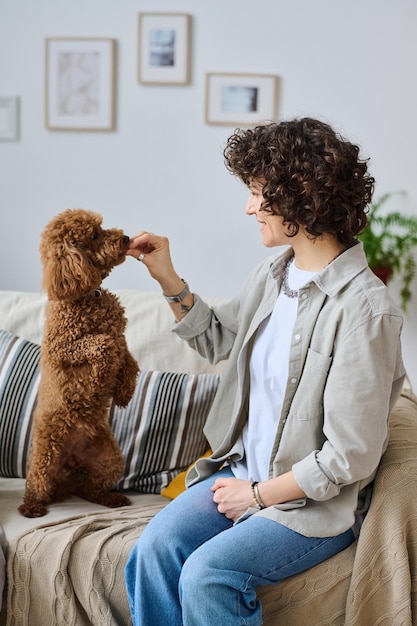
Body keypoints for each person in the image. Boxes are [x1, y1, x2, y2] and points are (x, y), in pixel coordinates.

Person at [124, 117, 405, 626]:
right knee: (154, 550)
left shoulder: (365, 309)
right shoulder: (272, 276)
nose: (249, 207)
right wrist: (165, 274)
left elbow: (349, 457)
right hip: (238, 474)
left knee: (209, 573)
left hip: (310, 506)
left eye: (257, 193)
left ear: (300, 194)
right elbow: (216, 340)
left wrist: (256, 496)